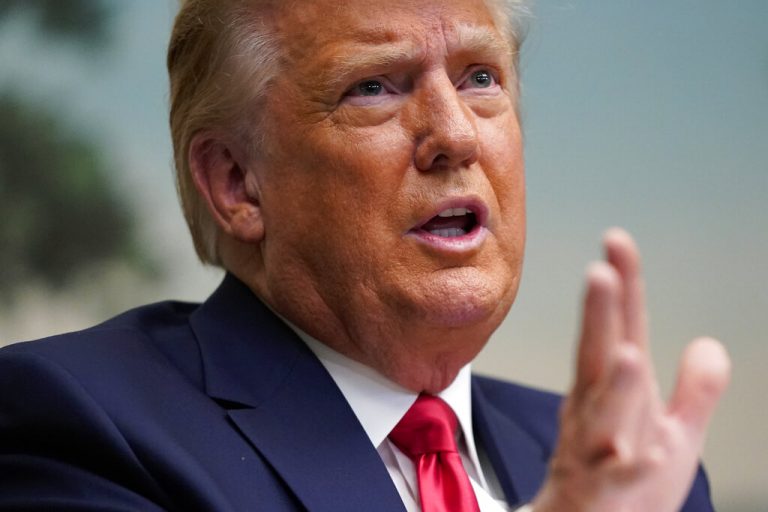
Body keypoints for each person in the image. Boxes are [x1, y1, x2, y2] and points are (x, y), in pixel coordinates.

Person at [0, 0, 730, 510]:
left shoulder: (632, 472)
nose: (456, 134)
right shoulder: (80, 426)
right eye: (374, 87)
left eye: (480, 77)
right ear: (236, 183)